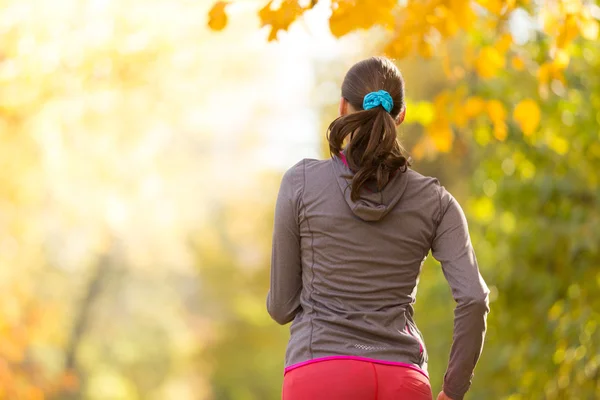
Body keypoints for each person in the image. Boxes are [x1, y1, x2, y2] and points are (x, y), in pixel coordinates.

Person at [267, 56, 490, 400]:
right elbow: (474, 298)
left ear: (343, 107)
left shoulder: (300, 183)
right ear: (400, 114)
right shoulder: (436, 201)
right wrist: (454, 389)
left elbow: (281, 307)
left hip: (319, 372)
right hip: (402, 378)